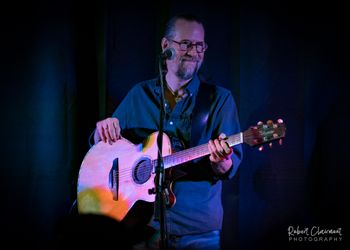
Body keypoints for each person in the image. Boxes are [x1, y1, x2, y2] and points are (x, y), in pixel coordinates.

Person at [92, 13, 243, 250]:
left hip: (197, 231)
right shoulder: (139, 95)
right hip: (141, 227)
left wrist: (221, 160)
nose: (194, 51)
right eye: (186, 44)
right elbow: (100, 149)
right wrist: (101, 133)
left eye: (199, 45)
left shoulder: (220, 100)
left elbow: (229, 166)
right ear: (166, 46)